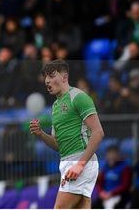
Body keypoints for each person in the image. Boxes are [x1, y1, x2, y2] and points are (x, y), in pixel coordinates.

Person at [30, 59, 105, 209]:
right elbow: (58, 145)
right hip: (68, 161)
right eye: (46, 77)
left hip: (80, 160)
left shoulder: (78, 97)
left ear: (64, 77)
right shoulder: (55, 106)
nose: (47, 81)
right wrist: (41, 134)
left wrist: (80, 165)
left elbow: (98, 132)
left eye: (51, 76)